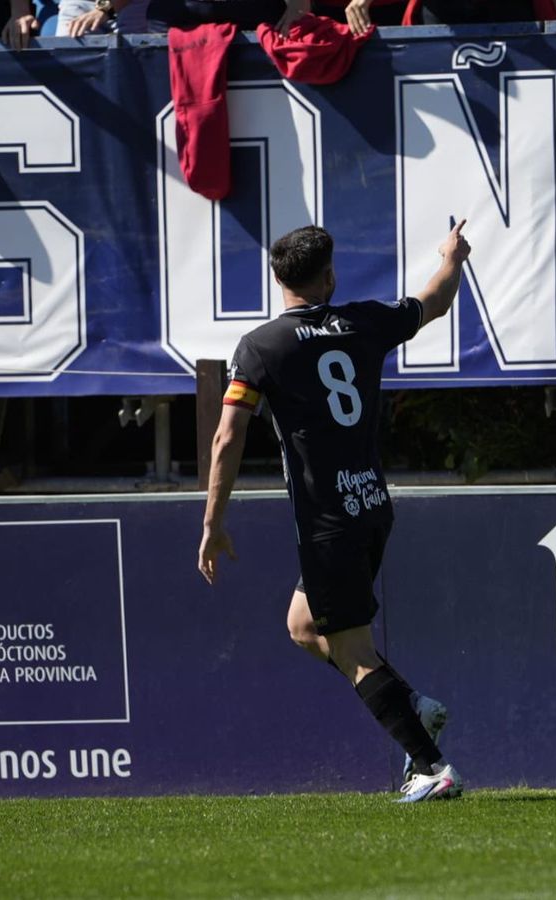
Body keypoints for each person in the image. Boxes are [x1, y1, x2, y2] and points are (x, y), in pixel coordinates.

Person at [198, 221, 471, 803]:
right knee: (303, 625)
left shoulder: (261, 347)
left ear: (278, 279)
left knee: (350, 651)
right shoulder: (366, 323)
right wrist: (451, 255)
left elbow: (226, 438)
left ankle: (431, 767)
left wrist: (213, 523)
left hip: (328, 521)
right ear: (329, 277)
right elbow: (435, 300)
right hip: (371, 504)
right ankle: (412, 705)